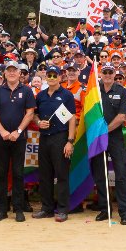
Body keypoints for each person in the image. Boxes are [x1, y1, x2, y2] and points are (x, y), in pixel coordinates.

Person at [0, 61, 36, 222]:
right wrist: (2, 131)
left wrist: (18, 131)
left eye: (14, 70)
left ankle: (18, 208)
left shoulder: (27, 90)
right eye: (9, 70)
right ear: (5, 73)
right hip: (1, 138)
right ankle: (1, 209)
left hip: (19, 138)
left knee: (18, 173)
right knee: (0, 174)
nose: (12, 73)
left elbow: (30, 113)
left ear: (19, 73)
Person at [33, 65, 78, 222]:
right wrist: (39, 123)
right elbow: (35, 115)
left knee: (62, 175)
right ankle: (47, 208)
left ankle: (63, 209)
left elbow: (72, 118)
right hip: (44, 138)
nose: (51, 78)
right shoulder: (41, 95)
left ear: (60, 77)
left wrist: (70, 141)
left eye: (54, 75)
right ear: (46, 77)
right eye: (49, 75)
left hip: (60, 137)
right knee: (45, 175)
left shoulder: (66, 95)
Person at [91, 63, 126, 224]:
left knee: (121, 174)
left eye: (110, 72)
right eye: (105, 72)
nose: (108, 75)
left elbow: (122, 116)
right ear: (100, 74)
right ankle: (105, 209)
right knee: (100, 174)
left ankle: (124, 211)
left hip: (114, 138)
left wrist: (105, 130)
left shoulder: (121, 91)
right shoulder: (94, 92)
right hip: (98, 138)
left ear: (114, 74)